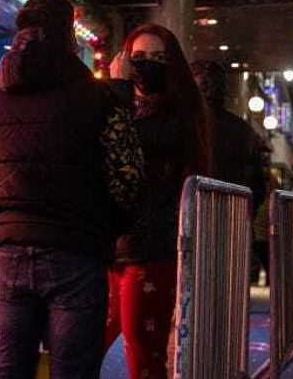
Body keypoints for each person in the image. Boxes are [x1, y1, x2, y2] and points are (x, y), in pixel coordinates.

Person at [0, 0, 143, 379]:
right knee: (72, 369)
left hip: (7, 253)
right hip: (76, 251)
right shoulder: (99, 96)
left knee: (9, 368)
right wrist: (108, 231)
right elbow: (126, 179)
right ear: (67, 36)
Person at [107, 24, 211, 379]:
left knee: (144, 355)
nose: (147, 65)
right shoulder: (118, 101)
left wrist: (118, 90)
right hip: (107, 245)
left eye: (158, 57)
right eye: (138, 57)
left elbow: (124, 142)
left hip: (151, 248)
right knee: (82, 344)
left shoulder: (178, 112)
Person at [190, 60, 268, 209]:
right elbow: (258, 187)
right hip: (234, 218)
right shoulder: (244, 130)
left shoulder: (185, 124)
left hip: (194, 218)